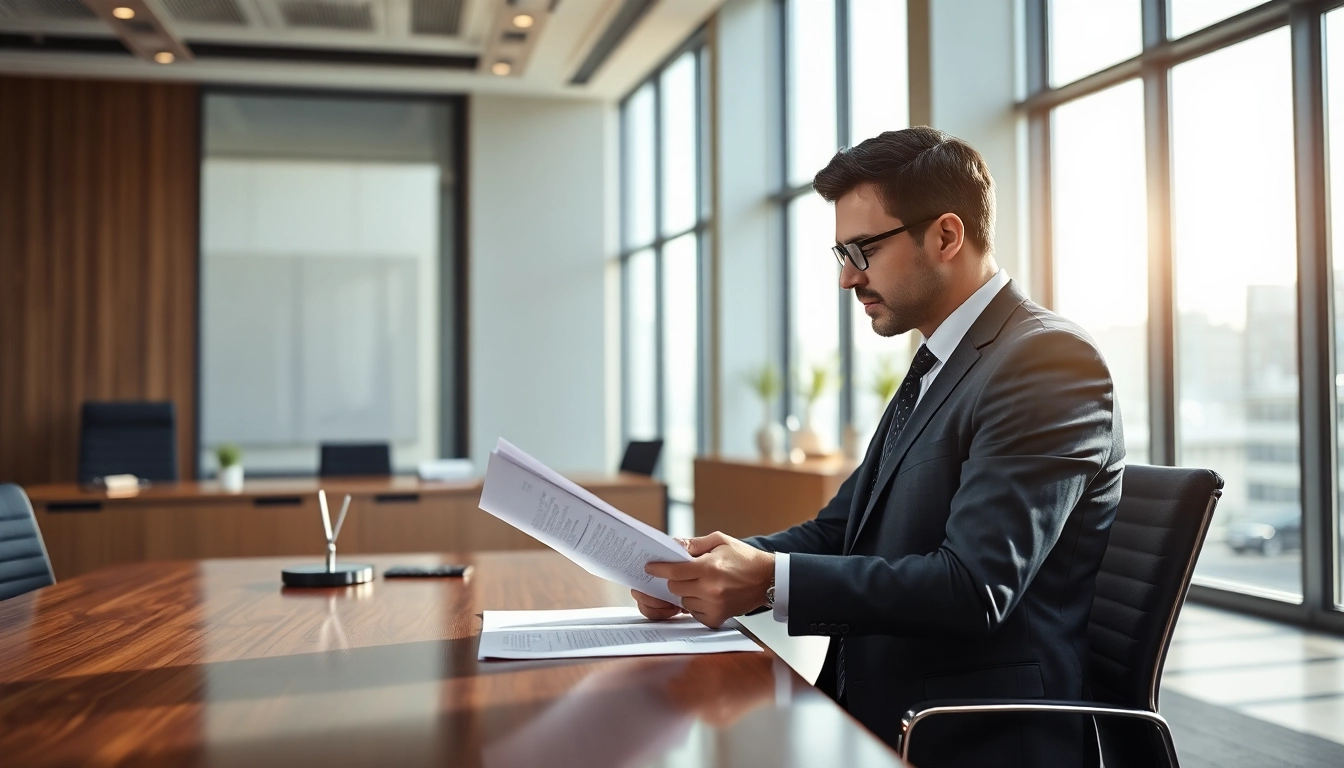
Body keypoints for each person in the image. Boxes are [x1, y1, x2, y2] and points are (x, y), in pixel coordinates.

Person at [633, 127, 1123, 767]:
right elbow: (842, 530)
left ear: (946, 236)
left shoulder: (1047, 361)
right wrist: (709, 566)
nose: (847, 277)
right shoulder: (938, 364)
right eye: (842, 252)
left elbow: (973, 588)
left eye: (864, 249)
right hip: (884, 708)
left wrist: (768, 581)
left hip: (970, 734)